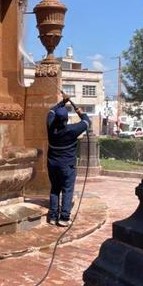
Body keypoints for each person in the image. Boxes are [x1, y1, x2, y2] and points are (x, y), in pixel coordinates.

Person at [47, 94, 91, 227]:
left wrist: (62, 102)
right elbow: (87, 122)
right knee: (67, 189)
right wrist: (80, 112)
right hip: (67, 166)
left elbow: (51, 111)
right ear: (66, 120)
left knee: (55, 189)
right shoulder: (72, 130)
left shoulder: (49, 125)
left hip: (52, 164)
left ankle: (53, 216)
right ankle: (64, 218)